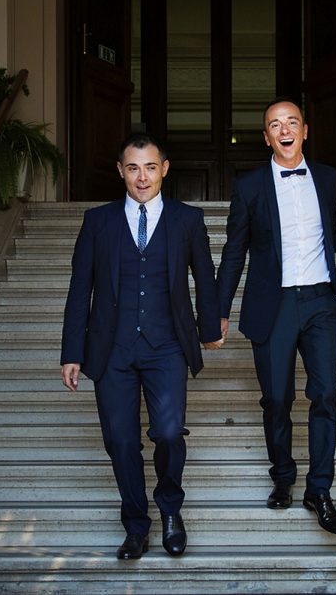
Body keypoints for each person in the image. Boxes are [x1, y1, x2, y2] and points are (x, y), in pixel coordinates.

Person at [216, 98, 336, 535]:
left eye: (291, 122)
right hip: (273, 305)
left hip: (320, 301)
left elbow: (331, 233)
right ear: (266, 137)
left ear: (304, 130)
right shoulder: (249, 186)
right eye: (274, 125)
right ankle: (283, 476)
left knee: (325, 394)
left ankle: (319, 489)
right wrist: (217, 311)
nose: (284, 129)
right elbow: (234, 251)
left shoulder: (325, 177)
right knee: (277, 399)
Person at [61, 132, 224, 560]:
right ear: (121, 171)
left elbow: (204, 278)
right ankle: (136, 524)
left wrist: (210, 327)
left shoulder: (188, 219)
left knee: (168, 433)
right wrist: (72, 352)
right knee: (120, 441)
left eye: (150, 167)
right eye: (133, 167)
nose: (142, 176)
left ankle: (171, 510)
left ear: (164, 169)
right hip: (111, 349)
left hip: (166, 344)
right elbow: (81, 290)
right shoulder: (98, 221)